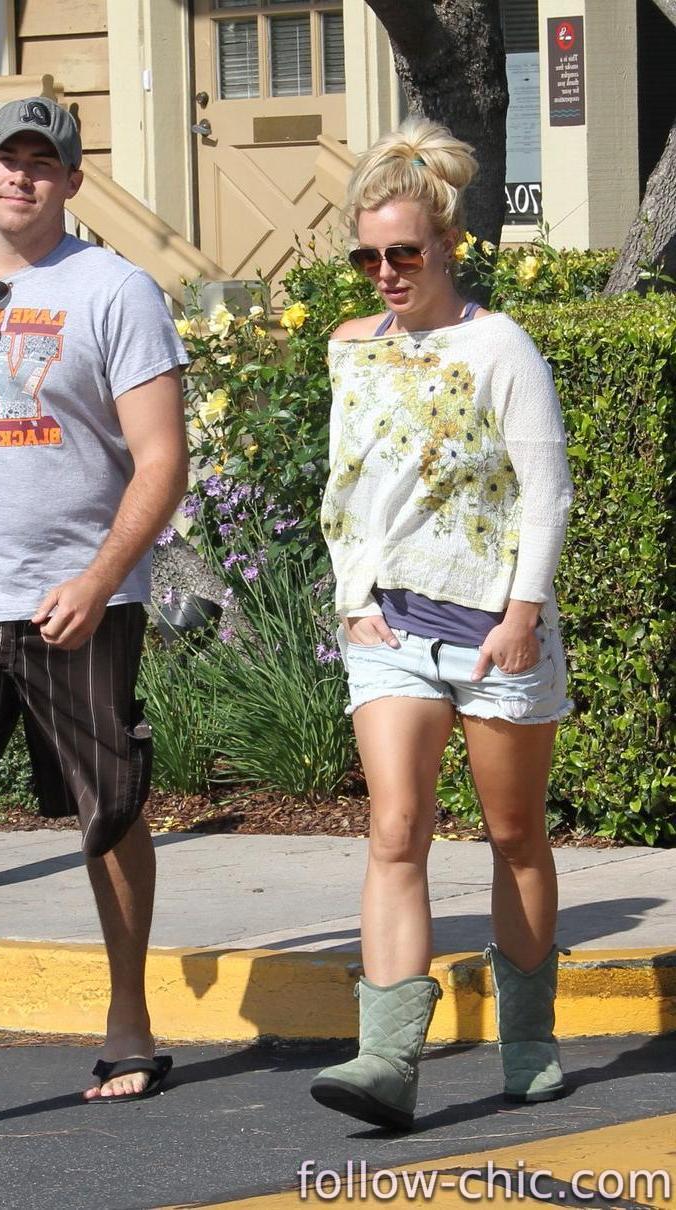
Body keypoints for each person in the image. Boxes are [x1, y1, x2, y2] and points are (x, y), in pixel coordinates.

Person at [0, 97, 189, 1103]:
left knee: (108, 812)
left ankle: (129, 1021)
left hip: (76, 606)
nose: (21, 176)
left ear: (71, 180)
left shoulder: (115, 291)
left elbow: (162, 459)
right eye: (7, 158)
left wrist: (100, 580)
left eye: (43, 161)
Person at [310, 118, 574, 1130]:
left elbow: (545, 495)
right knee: (394, 829)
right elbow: (346, 489)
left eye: (403, 254)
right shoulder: (350, 350)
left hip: (496, 635)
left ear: (448, 245)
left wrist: (521, 614)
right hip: (393, 636)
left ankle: (528, 1041)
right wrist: (354, 602)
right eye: (367, 257)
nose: (384, 272)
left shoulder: (497, 345)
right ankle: (387, 1060)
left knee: (513, 834)